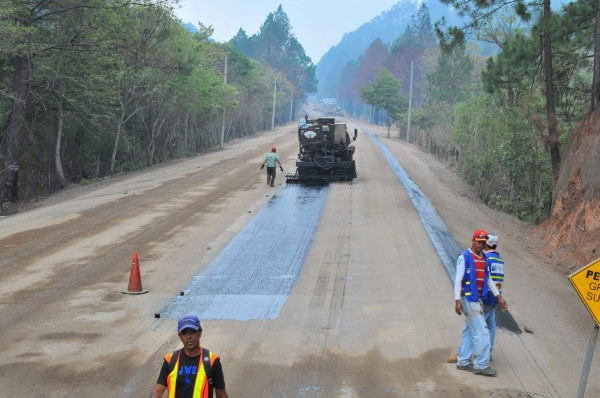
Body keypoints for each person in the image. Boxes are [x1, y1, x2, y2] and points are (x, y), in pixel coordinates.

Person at [453, 229, 507, 376]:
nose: (481, 245)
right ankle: (481, 365)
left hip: (478, 299)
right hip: (469, 299)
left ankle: (463, 361)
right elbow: (458, 279)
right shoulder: (464, 257)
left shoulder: (484, 258)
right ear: (473, 240)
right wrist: (457, 301)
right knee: (482, 332)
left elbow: (488, 279)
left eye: (483, 242)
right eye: (479, 241)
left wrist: (499, 297)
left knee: (470, 330)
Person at [151, 315, 229, 398]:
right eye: (184, 333)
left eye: (192, 331)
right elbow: (157, 391)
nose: (189, 337)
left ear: (200, 333)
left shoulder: (212, 361)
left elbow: (221, 393)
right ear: (179, 336)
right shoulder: (170, 360)